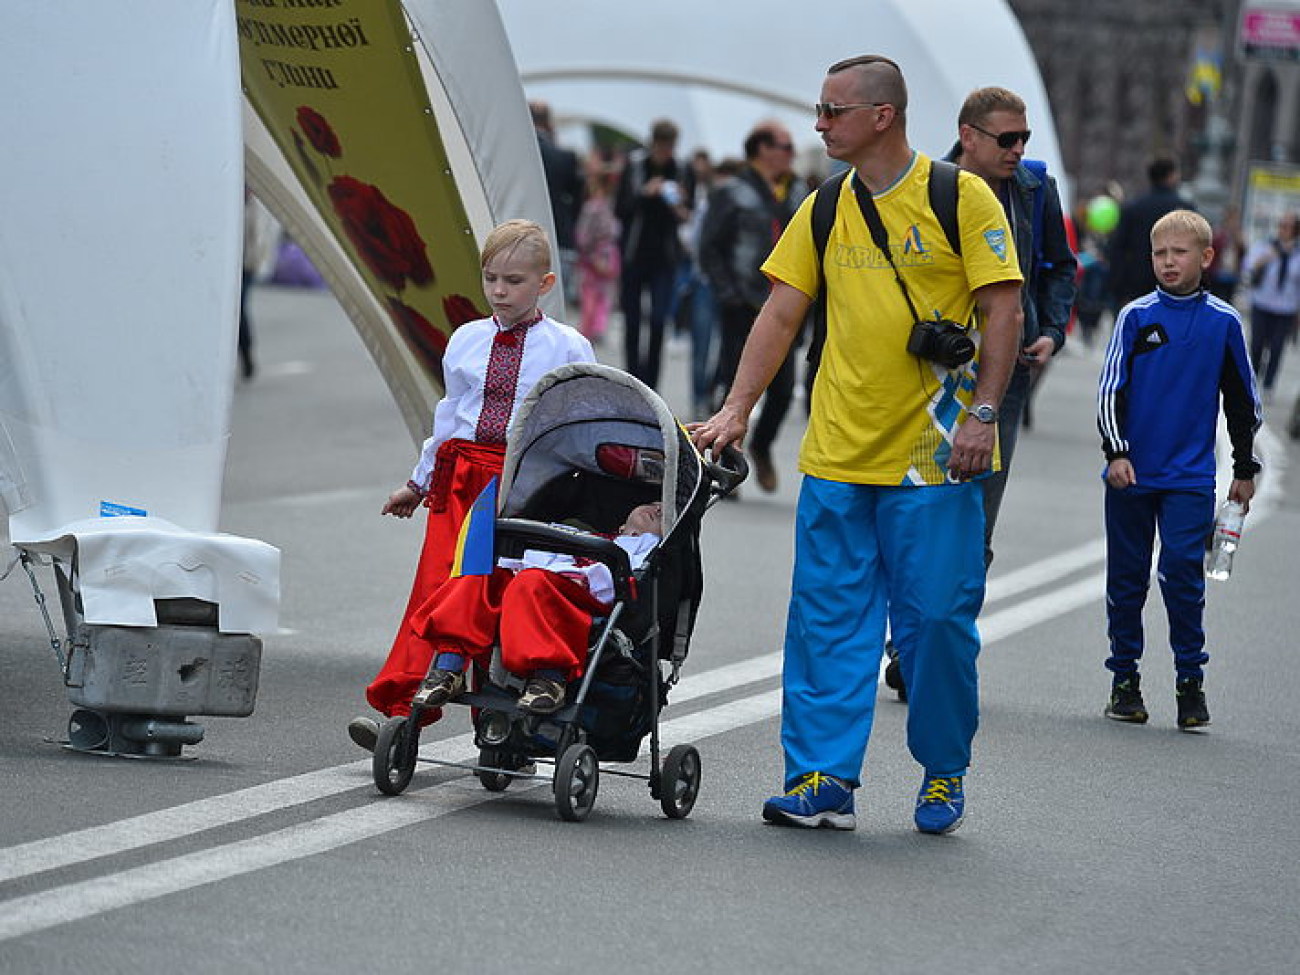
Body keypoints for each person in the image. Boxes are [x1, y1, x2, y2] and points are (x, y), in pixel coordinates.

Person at [691, 55, 1023, 835]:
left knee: (937, 622)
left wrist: (984, 412)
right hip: (839, 450)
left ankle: (944, 770)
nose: (818, 123)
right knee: (826, 620)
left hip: (936, 453)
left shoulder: (961, 197)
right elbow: (780, 313)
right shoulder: (826, 202)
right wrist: (737, 406)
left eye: (831, 110)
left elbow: (1002, 312)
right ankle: (821, 776)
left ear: (882, 115)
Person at [349, 219, 595, 751]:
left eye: (514, 281)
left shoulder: (568, 347)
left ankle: (503, 721)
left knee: (504, 588)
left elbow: (583, 423)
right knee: (441, 589)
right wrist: (417, 484)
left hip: (525, 484)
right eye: (490, 279)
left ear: (545, 284)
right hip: (460, 480)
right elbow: (449, 418)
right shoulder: (466, 339)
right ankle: (403, 711)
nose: (500, 291)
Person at [1097, 210, 1261, 731]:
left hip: (1191, 478)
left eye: (1180, 252)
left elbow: (1242, 401)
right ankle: (1125, 680)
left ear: (1206, 257)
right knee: (1126, 581)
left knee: (1182, 576)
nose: (1168, 262)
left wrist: (1244, 466)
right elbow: (1110, 391)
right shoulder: (1136, 317)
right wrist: (1117, 453)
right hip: (1131, 475)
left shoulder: (1224, 322)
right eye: (1159, 253)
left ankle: (1190, 682)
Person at [409, 502, 662, 716]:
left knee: (532, 583)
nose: (657, 509)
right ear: (620, 525)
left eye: (663, 510)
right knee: (481, 576)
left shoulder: (646, 547)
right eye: (652, 503)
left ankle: (549, 678)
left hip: (578, 594)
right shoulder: (578, 531)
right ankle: (449, 667)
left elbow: (618, 586)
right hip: (534, 577)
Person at [699, 121, 809, 492]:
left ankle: (761, 446)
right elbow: (709, 246)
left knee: (782, 389)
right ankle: (722, 465)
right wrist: (728, 293)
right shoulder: (731, 191)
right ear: (762, 148)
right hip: (743, 303)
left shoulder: (795, 191)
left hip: (786, 302)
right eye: (785, 145)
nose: (791, 153)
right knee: (735, 384)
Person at [616, 118, 691, 389]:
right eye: (662, 147)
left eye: (670, 147)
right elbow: (620, 208)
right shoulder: (635, 165)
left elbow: (688, 212)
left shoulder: (682, 169)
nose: (666, 153)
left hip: (666, 255)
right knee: (633, 319)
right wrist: (645, 193)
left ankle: (651, 383)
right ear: (654, 144)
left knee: (659, 319)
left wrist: (679, 203)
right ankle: (633, 378)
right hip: (635, 253)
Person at [1106, 157, 1193, 311]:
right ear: (1171, 175)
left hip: (1136, 287)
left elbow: (1117, 249)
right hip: (1174, 287)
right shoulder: (1185, 209)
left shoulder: (1133, 208)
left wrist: (1119, 290)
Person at [529, 100, 584, 306]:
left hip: (517, 237)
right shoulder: (565, 157)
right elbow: (577, 201)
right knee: (552, 305)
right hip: (558, 236)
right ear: (549, 124)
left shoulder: (513, 153)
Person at [1241, 211, 1300, 402]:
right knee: (1257, 344)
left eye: (1287, 226)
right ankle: (1253, 380)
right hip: (1262, 303)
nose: (1283, 229)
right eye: (1281, 225)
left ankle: (1268, 385)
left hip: (1285, 309)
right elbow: (1248, 267)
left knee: (1277, 347)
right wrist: (1265, 260)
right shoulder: (1265, 245)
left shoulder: (1297, 253)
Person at [574, 151, 622, 344]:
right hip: (600, 256)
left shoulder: (597, 207)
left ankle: (593, 327)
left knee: (596, 294)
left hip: (600, 255)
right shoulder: (600, 208)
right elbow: (584, 236)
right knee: (596, 294)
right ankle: (593, 328)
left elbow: (583, 235)